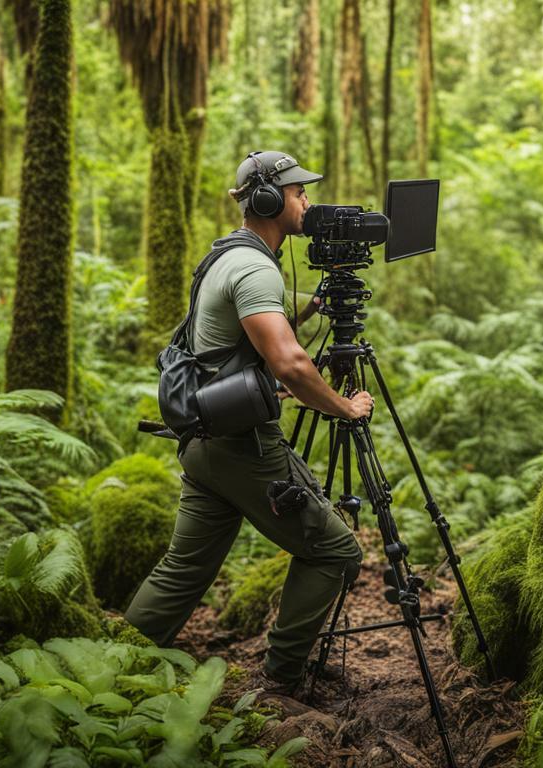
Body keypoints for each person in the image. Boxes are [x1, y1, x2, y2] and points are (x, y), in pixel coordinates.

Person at [125, 151, 373, 694]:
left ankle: (113, 671)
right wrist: (342, 405)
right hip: (242, 447)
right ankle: (281, 679)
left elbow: (249, 327)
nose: (306, 201)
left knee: (181, 572)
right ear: (268, 200)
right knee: (336, 552)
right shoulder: (257, 267)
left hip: (204, 442)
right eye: (298, 191)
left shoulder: (230, 256)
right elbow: (289, 363)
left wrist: (310, 307)